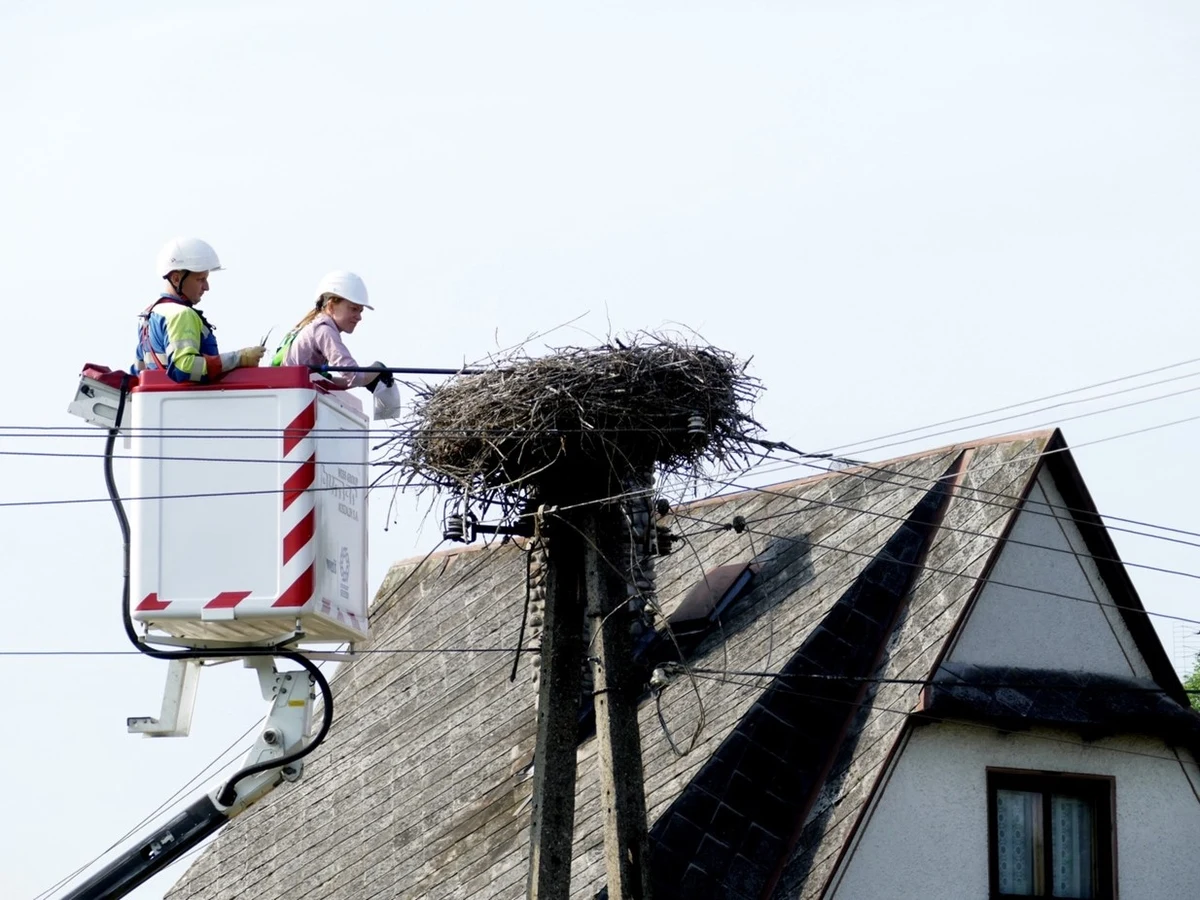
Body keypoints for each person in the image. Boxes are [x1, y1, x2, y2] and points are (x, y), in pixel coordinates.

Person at [135, 237, 265, 383]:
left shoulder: (149, 315)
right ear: (176, 279)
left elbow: (139, 371)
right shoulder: (181, 315)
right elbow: (184, 368)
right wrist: (239, 358)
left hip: (163, 402)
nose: (206, 287)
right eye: (200, 279)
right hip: (189, 403)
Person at [272, 270, 394, 393]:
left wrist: (367, 378)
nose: (359, 317)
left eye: (360, 311)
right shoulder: (324, 331)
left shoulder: (314, 327)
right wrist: (377, 368)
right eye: (353, 309)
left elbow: (326, 383)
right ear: (331, 306)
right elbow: (354, 376)